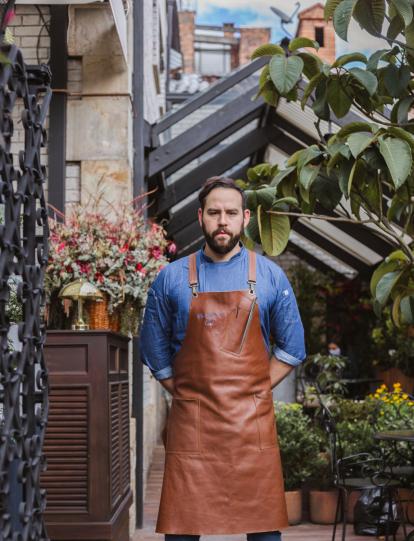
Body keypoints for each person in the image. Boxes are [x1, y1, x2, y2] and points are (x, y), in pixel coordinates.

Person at [139, 176, 306, 541]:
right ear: (201, 217)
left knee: (263, 532)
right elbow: (153, 349)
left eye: (231, 212)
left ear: (245, 218)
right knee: (182, 531)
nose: (222, 221)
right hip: (193, 425)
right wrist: (186, 389)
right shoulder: (171, 278)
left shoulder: (270, 276)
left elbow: (292, 348)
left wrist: (255, 385)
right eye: (214, 212)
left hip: (251, 424)